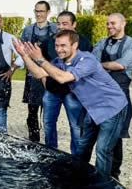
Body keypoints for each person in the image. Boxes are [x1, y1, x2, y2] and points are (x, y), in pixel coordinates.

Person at [13, 30, 128, 177]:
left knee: (103, 150)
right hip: (91, 110)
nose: (59, 49)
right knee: (82, 149)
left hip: (112, 108)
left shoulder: (87, 60)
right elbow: (40, 73)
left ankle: (103, 187)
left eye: (63, 45)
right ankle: (79, 180)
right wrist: (24, 56)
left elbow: (63, 78)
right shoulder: (60, 62)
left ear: (75, 45)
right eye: (57, 45)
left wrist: (41, 59)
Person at [92, 13, 132, 179]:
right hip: (99, 97)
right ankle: (101, 174)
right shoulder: (101, 43)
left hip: (120, 98)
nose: (109, 26)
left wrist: (102, 66)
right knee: (99, 137)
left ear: (123, 23)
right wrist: (106, 66)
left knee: (116, 137)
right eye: (107, 24)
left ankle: (114, 175)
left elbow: (121, 64)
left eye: (112, 23)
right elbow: (92, 65)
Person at [40, 11, 93, 154]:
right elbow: (41, 63)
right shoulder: (49, 42)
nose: (60, 27)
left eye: (65, 24)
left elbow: (86, 69)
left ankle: (76, 158)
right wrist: (45, 81)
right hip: (52, 91)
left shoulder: (85, 43)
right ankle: (51, 153)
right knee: (48, 123)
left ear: (74, 24)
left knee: (76, 127)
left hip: (73, 92)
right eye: (58, 23)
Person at [20, 1, 57, 142]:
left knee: (49, 112)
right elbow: (23, 51)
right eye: (36, 11)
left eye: (41, 11)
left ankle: (50, 143)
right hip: (32, 75)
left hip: (49, 74)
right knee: (32, 112)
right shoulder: (28, 30)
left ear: (48, 12)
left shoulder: (55, 29)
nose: (38, 14)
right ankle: (34, 140)